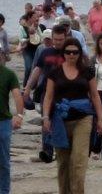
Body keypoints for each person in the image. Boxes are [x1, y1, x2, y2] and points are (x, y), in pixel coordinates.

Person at [43, 38, 102, 194]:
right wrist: (45, 118)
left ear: (79, 53)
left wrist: (100, 119)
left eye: (75, 52)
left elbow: (95, 95)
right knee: (63, 162)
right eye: (68, 52)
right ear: (63, 53)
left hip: (83, 118)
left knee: (78, 160)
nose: (71, 55)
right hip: (60, 121)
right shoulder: (54, 73)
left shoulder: (87, 71)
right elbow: (48, 97)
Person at [23, 24, 67, 163]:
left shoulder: (71, 53)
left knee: (64, 122)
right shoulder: (45, 52)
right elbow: (37, 70)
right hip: (46, 92)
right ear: (52, 38)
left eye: (61, 39)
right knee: (46, 120)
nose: (58, 42)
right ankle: (47, 151)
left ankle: (63, 150)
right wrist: (28, 88)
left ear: (66, 38)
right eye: (56, 39)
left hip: (65, 94)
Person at [0, 45, 24, 194]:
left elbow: (17, 95)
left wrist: (19, 115)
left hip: (3, 122)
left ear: (2, 55)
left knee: (3, 161)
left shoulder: (9, 74)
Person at [19, 11, 42, 86]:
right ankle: (25, 85)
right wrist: (29, 39)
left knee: (36, 67)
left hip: (36, 49)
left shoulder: (36, 26)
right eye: (34, 17)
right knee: (28, 67)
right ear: (29, 18)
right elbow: (21, 39)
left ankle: (33, 85)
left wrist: (36, 31)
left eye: (36, 17)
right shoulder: (22, 27)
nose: (36, 18)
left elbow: (41, 38)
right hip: (27, 50)